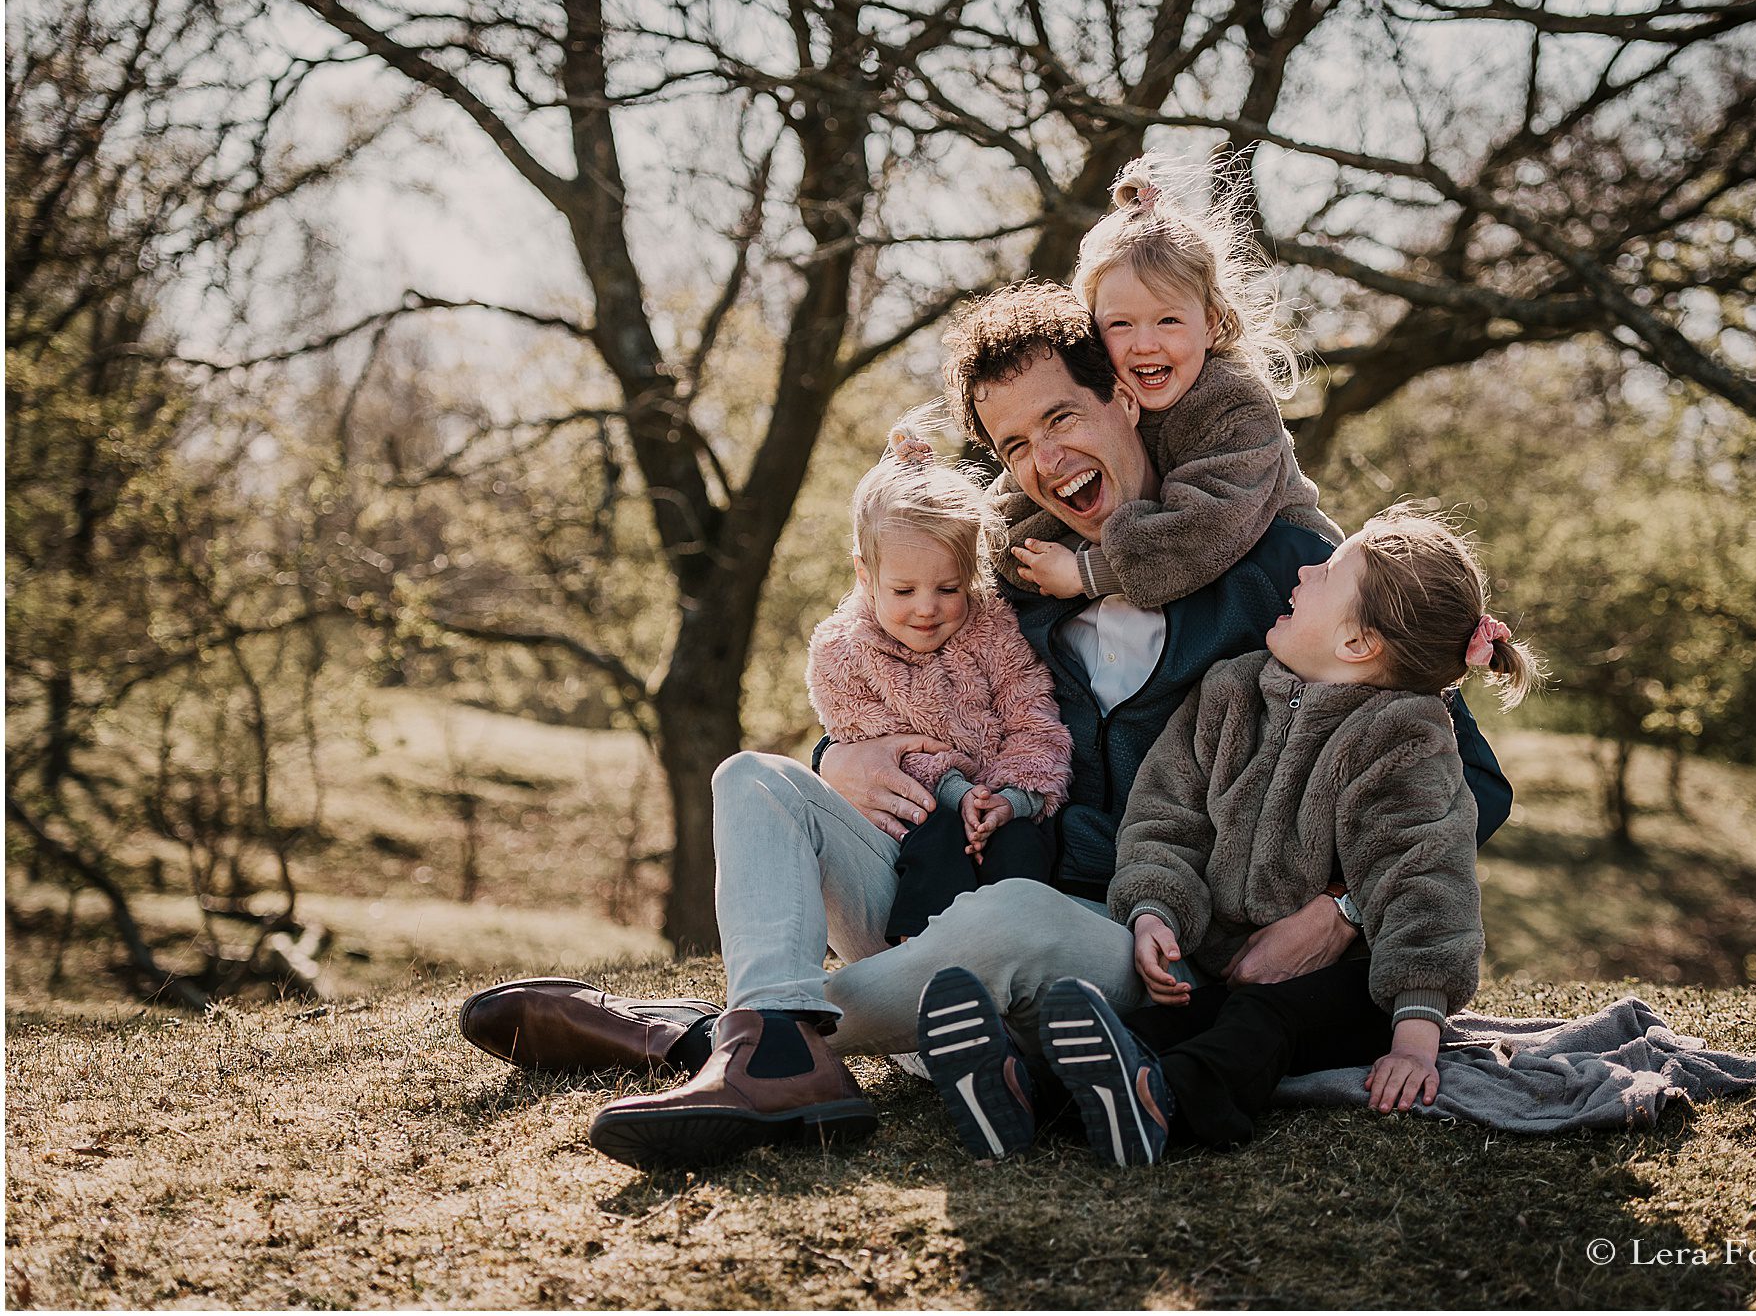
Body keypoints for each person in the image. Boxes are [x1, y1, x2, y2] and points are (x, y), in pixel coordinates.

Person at [457, 283, 1512, 1173]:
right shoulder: (1009, 584)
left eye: (1061, 418)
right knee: (754, 779)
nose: (1045, 460)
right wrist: (842, 759)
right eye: (1013, 444)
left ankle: (701, 1039)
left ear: (1123, 397)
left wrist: (1341, 908)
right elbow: (898, 679)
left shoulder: (1280, 571)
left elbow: (1464, 778)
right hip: (945, 887)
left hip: (1126, 940)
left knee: (1007, 920)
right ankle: (770, 1042)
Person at [1011, 505, 1544, 1167]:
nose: (1305, 571)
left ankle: (1166, 1106)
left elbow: (1424, 881)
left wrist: (1413, 1038)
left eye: (1328, 571)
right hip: (1225, 965)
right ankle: (1025, 1091)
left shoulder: (1403, 737)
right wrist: (1154, 909)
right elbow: (1167, 815)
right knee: (1168, 1021)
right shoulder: (1231, 693)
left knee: (1261, 1022)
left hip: (1356, 987)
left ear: (1358, 643)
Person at [998, 152, 1341, 609]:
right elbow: (1014, 505)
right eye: (1120, 325)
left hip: (1297, 580)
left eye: (1168, 321)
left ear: (1211, 323)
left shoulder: (1236, 403)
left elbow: (1210, 525)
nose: (1145, 344)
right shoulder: (1100, 407)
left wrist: (1088, 572)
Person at [805, 436, 1070, 944]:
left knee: (1022, 844)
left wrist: (1011, 799)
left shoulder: (995, 632)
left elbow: (1035, 721)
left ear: (970, 576)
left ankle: (1017, 948)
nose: (927, 608)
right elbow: (878, 751)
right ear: (866, 574)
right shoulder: (843, 653)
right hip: (909, 818)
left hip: (1001, 802)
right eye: (904, 591)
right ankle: (923, 955)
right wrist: (956, 794)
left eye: (948, 589)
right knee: (937, 838)